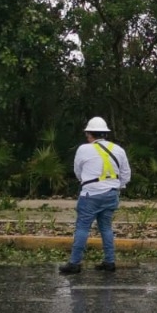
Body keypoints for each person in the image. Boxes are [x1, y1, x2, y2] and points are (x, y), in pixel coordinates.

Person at [58, 116, 132, 274]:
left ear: (89, 134)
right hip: (111, 194)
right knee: (106, 228)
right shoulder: (118, 150)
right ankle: (109, 262)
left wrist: (86, 182)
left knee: (82, 228)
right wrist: (116, 187)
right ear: (105, 134)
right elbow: (126, 174)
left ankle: (74, 264)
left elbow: (78, 171)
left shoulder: (83, 149)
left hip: (90, 195)